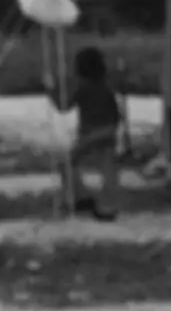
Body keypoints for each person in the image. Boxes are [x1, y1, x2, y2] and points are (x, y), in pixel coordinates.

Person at [43, 46, 121, 221]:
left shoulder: (83, 86)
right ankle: (108, 204)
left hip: (91, 134)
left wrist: (51, 88)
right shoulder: (105, 86)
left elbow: (63, 106)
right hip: (109, 132)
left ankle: (81, 197)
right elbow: (115, 113)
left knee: (68, 164)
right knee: (108, 169)